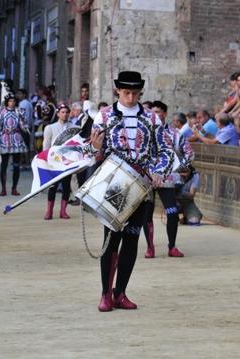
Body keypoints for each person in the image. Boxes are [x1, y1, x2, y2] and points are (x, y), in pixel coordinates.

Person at [85, 71, 175, 312]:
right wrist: (94, 149)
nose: (131, 97)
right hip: (115, 186)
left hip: (143, 187)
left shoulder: (152, 119)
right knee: (111, 239)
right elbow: (92, 157)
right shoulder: (103, 116)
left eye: (135, 93)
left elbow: (166, 150)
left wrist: (158, 171)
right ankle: (105, 293)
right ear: (117, 91)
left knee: (132, 240)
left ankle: (120, 292)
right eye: (126, 93)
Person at [143, 100, 192, 259]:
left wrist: (178, 166)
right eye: (152, 113)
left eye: (158, 112)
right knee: (146, 214)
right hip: (147, 178)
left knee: (172, 212)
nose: (154, 115)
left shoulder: (175, 134)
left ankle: (172, 246)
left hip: (167, 179)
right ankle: (150, 247)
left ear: (164, 114)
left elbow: (189, 154)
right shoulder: (143, 133)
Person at [42, 103, 76, 220]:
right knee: (53, 186)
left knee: (66, 186)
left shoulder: (73, 127)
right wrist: (45, 159)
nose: (65, 114)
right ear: (57, 114)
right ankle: (49, 211)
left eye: (67, 112)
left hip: (67, 161)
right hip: (54, 161)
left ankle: (63, 211)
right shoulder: (50, 128)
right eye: (63, 112)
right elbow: (46, 145)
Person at [0, 91, 28, 196]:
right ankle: (3, 188)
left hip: (16, 139)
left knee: (16, 165)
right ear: (6, 102)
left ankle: (14, 188)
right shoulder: (1, 112)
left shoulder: (19, 111)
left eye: (13, 101)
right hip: (5, 139)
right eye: (10, 101)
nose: (12, 103)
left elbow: (23, 126)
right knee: (4, 165)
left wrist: (23, 121)